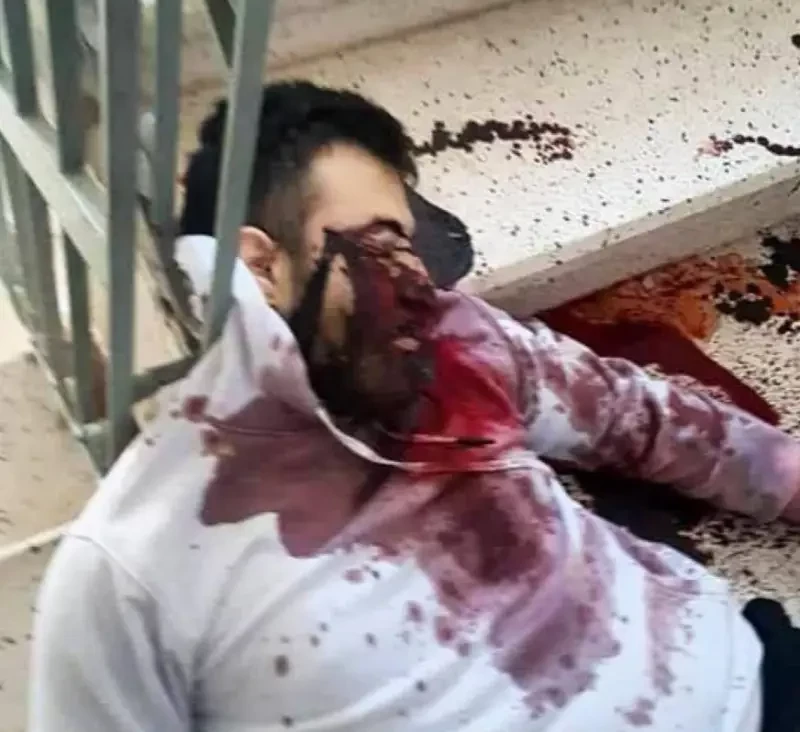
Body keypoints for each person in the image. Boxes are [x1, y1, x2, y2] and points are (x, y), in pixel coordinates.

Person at [29, 81, 800, 732]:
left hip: (750, 682)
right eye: (381, 246)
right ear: (260, 264)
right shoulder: (134, 567)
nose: (419, 288)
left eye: (412, 249)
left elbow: (644, 420)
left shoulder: (457, 346)